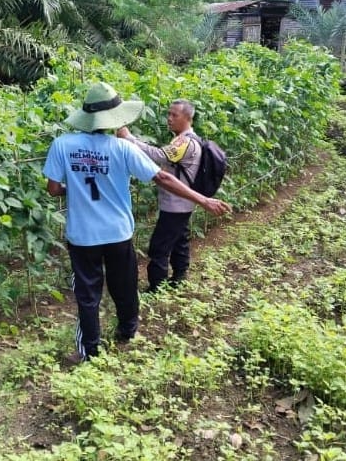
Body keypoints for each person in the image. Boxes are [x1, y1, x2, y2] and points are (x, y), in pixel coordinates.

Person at [43, 82, 231, 362]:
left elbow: (53, 189)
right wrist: (203, 200)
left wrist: (77, 188)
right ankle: (127, 331)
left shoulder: (63, 145)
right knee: (125, 284)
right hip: (118, 233)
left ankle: (90, 350)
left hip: (82, 236)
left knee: (87, 293)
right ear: (115, 119)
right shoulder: (122, 148)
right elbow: (164, 178)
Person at [116, 99, 200, 292]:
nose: (169, 119)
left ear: (188, 118)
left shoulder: (185, 142)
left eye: (174, 115)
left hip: (176, 204)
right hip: (181, 203)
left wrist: (129, 139)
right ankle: (179, 277)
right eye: (168, 114)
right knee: (180, 239)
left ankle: (156, 287)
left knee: (159, 246)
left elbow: (159, 155)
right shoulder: (184, 139)